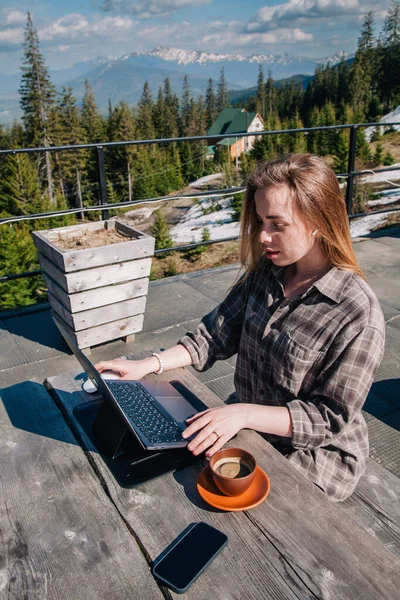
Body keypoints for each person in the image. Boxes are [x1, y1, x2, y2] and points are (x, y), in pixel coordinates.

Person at [95, 153, 385, 502]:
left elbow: (328, 418)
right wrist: (148, 364)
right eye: (261, 221)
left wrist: (242, 413)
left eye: (277, 224)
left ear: (318, 222)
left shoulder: (356, 312)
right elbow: (214, 334)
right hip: (243, 422)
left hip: (314, 455)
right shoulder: (267, 272)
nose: (263, 236)